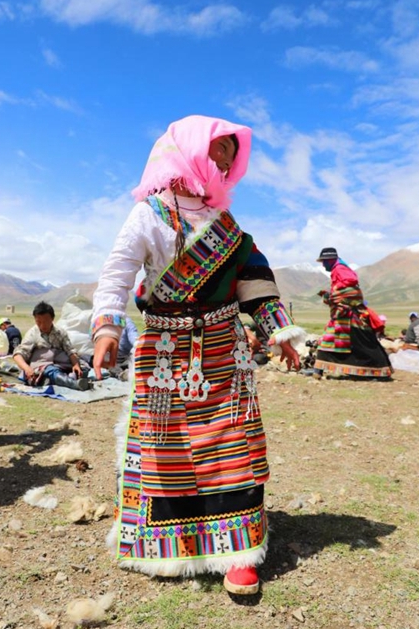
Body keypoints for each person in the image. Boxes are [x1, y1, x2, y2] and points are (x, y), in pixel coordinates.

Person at [91, 115, 304, 596]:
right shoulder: (148, 214)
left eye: (231, 150)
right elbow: (118, 271)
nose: (225, 157)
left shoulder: (227, 226)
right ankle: (167, 545)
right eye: (217, 146)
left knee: (231, 445)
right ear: (186, 149)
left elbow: (255, 282)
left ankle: (239, 552)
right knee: (166, 450)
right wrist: (106, 325)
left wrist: (279, 331)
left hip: (224, 353)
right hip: (165, 355)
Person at [313, 247, 393, 379]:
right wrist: (333, 295)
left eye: (324, 261)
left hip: (347, 314)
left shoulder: (339, 269)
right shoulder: (338, 269)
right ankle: (318, 370)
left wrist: (334, 293)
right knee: (358, 342)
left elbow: (350, 285)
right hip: (345, 313)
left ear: (330, 260)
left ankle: (318, 370)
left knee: (331, 339)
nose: (323, 265)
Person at [13, 301, 92, 390]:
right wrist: (27, 369)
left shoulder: (60, 332)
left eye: (46, 321)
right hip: (42, 364)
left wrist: (76, 365)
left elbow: (70, 351)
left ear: (52, 318)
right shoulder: (32, 334)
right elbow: (18, 355)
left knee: (83, 368)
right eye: (39, 322)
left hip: (61, 363)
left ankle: (56, 380)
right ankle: (74, 384)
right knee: (52, 371)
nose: (42, 325)